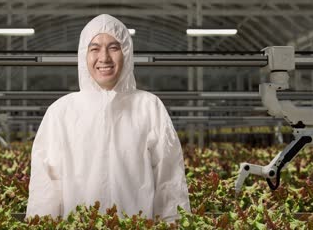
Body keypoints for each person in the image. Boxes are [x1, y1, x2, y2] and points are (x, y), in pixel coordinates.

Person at [26, 14, 190, 222]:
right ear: (83, 55)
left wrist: (172, 223)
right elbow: (45, 185)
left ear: (127, 54)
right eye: (94, 48)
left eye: (114, 47)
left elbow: (169, 180)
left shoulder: (149, 107)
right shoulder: (61, 112)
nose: (104, 58)